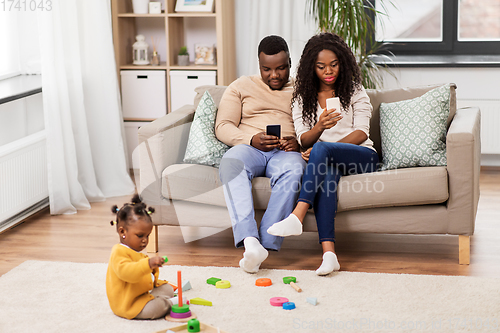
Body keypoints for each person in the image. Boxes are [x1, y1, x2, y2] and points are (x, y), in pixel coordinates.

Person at [267, 32, 379, 275]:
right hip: (326, 163)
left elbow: (361, 133)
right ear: (311, 67)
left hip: (362, 157)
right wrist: (320, 127)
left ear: (343, 62)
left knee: (322, 151)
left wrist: (325, 149)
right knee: (326, 177)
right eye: (321, 66)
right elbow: (303, 139)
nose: (329, 71)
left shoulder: (355, 90)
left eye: (334, 64)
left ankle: (298, 214)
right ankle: (329, 255)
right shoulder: (302, 98)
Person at [215, 35, 306, 273]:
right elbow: (223, 126)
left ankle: (265, 243)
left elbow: (315, 127)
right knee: (231, 162)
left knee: (296, 169)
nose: (274, 75)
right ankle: (250, 242)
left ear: (290, 63)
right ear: (258, 65)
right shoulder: (240, 86)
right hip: (249, 149)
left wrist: (297, 142)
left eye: (281, 68)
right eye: (267, 69)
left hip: (285, 152)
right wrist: (251, 139)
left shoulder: (303, 88)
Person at [106, 194, 178, 319]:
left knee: (168, 289)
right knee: (158, 307)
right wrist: (148, 264)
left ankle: (162, 299)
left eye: (147, 236)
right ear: (122, 232)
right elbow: (128, 273)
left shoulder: (134, 250)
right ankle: (167, 303)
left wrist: (154, 267)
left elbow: (144, 273)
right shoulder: (118, 252)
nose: (145, 241)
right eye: (140, 236)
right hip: (128, 302)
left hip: (140, 292)